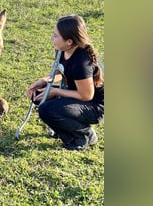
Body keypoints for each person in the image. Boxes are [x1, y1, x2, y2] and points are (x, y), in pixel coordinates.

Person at [26, 15, 104, 150]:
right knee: (38, 95)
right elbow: (60, 71)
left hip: (94, 106)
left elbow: (87, 95)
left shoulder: (82, 62)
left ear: (69, 41)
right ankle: (65, 129)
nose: (52, 38)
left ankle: (84, 135)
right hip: (77, 95)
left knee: (47, 109)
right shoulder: (62, 49)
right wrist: (45, 81)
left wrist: (55, 91)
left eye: (56, 36)